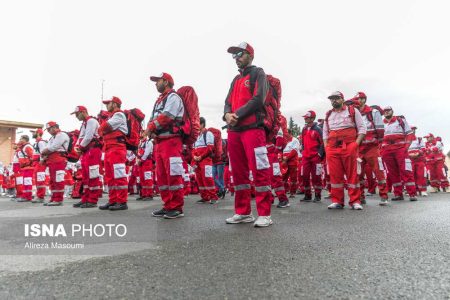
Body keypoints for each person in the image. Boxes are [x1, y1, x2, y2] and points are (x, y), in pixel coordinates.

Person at [224, 42, 273, 227]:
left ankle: (265, 213)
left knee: (259, 170)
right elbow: (227, 102)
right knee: (238, 173)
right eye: (234, 55)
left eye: (240, 53)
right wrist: (227, 114)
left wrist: (238, 114)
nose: (237, 58)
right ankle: (243, 212)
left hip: (253, 128)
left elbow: (259, 98)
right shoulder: (235, 80)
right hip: (234, 131)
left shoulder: (258, 73)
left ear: (250, 55)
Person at [147, 72, 186, 219]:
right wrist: (150, 131)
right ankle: (167, 205)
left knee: (173, 174)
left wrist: (150, 128)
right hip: (160, 142)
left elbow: (167, 116)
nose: (156, 83)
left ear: (166, 81)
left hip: (171, 142)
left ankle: (176, 207)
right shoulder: (159, 101)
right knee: (162, 177)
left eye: (158, 81)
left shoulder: (173, 97)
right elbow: (153, 118)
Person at [323, 91, 366, 210]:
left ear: (342, 99)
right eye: (332, 99)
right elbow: (325, 133)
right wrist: (327, 148)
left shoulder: (352, 111)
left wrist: (355, 144)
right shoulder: (328, 114)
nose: (334, 101)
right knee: (335, 175)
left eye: (336, 98)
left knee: (352, 174)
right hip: (332, 148)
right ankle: (337, 201)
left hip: (349, 146)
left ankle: (355, 201)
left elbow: (362, 128)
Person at [353, 92, 389, 206]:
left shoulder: (374, 112)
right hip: (359, 148)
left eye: (358, 99)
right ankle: (361, 197)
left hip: (372, 147)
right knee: (358, 173)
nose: (357, 101)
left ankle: (384, 196)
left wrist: (378, 143)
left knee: (378, 171)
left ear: (364, 99)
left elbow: (380, 129)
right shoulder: (353, 112)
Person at [98, 97, 129, 211]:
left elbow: (106, 127)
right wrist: (102, 129)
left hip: (117, 148)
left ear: (115, 104)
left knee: (119, 175)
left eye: (108, 103)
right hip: (109, 149)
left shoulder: (119, 115)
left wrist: (102, 128)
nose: (107, 105)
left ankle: (121, 201)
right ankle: (113, 200)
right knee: (110, 177)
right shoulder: (112, 116)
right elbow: (102, 130)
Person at [381, 106, 417, 201]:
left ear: (392, 111)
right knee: (392, 173)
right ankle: (398, 194)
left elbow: (409, 134)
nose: (386, 112)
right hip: (387, 151)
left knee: (406, 170)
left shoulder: (400, 120)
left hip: (400, 149)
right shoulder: (381, 123)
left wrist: (406, 147)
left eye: (388, 111)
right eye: (385, 111)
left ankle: (412, 194)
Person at [71, 105, 103, 208]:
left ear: (83, 112)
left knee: (93, 175)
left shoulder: (91, 121)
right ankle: (85, 198)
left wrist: (79, 147)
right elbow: (81, 136)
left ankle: (92, 200)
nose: (76, 116)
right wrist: (77, 147)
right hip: (86, 151)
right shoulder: (85, 123)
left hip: (93, 150)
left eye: (77, 114)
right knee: (85, 176)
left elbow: (88, 136)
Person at [40, 121, 70, 206]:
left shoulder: (61, 135)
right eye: (48, 130)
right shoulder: (53, 137)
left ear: (54, 127)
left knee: (58, 180)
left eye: (49, 129)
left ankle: (58, 199)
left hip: (59, 159)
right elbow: (48, 148)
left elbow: (53, 147)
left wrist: (44, 152)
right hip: (52, 160)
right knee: (53, 181)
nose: (49, 131)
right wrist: (44, 154)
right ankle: (54, 198)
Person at [192, 117, 219, 204]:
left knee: (207, 178)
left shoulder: (208, 134)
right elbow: (193, 148)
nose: (196, 125)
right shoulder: (197, 136)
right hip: (197, 160)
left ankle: (213, 197)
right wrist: (194, 156)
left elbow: (210, 148)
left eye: (197, 123)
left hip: (206, 160)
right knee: (199, 179)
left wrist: (201, 156)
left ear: (202, 124)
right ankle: (205, 197)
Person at [300, 110, 324, 202]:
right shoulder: (304, 129)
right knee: (304, 176)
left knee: (316, 176)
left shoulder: (318, 129)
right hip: (305, 157)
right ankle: (307, 195)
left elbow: (323, 143)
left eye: (308, 117)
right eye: (305, 117)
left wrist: (319, 154)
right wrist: (303, 149)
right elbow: (302, 141)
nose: (305, 119)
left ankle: (317, 195)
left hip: (315, 157)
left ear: (313, 118)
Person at [408, 126, 428, 196]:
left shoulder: (419, 139)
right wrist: (409, 155)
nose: (413, 131)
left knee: (421, 175)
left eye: (414, 130)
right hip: (410, 160)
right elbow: (403, 149)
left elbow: (423, 148)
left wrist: (418, 153)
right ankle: (414, 190)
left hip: (419, 160)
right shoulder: (405, 139)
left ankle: (422, 190)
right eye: (411, 130)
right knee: (411, 175)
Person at [15, 135, 34, 202]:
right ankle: (25, 196)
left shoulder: (27, 147)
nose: (20, 140)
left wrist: (28, 163)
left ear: (25, 139)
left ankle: (28, 197)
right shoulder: (23, 147)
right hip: (24, 167)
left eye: (21, 139)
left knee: (27, 182)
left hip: (28, 167)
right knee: (25, 182)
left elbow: (32, 157)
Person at [31, 128, 48, 203]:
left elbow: (44, 152)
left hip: (40, 163)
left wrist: (41, 161)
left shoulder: (41, 142)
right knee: (38, 180)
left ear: (38, 133)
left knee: (40, 180)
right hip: (37, 163)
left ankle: (41, 197)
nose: (32, 133)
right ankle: (39, 195)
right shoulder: (37, 143)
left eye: (33, 132)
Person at [137, 132, 154, 201]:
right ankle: (144, 194)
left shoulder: (149, 142)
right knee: (142, 178)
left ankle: (149, 195)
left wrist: (141, 160)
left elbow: (147, 152)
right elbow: (139, 152)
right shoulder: (141, 143)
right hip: (142, 162)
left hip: (147, 162)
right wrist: (138, 160)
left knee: (147, 178)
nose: (141, 134)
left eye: (143, 133)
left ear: (146, 135)